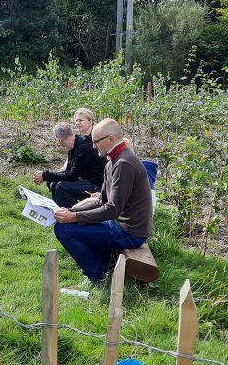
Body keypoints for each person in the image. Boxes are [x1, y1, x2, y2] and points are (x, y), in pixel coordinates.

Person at [52, 119, 153, 285]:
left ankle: (98, 276)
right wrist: (72, 211)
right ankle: (102, 268)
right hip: (120, 224)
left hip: (130, 232)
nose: (93, 146)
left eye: (96, 141)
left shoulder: (124, 164)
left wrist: (74, 218)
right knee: (69, 224)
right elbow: (102, 200)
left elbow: (112, 209)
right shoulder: (112, 161)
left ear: (111, 139)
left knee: (63, 230)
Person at [32, 122, 106, 208]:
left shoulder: (83, 148)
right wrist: (46, 177)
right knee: (52, 182)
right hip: (87, 181)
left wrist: (44, 175)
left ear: (59, 139)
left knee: (62, 187)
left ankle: (71, 217)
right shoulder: (74, 145)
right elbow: (68, 172)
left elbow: (72, 176)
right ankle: (59, 213)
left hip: (98, 186)